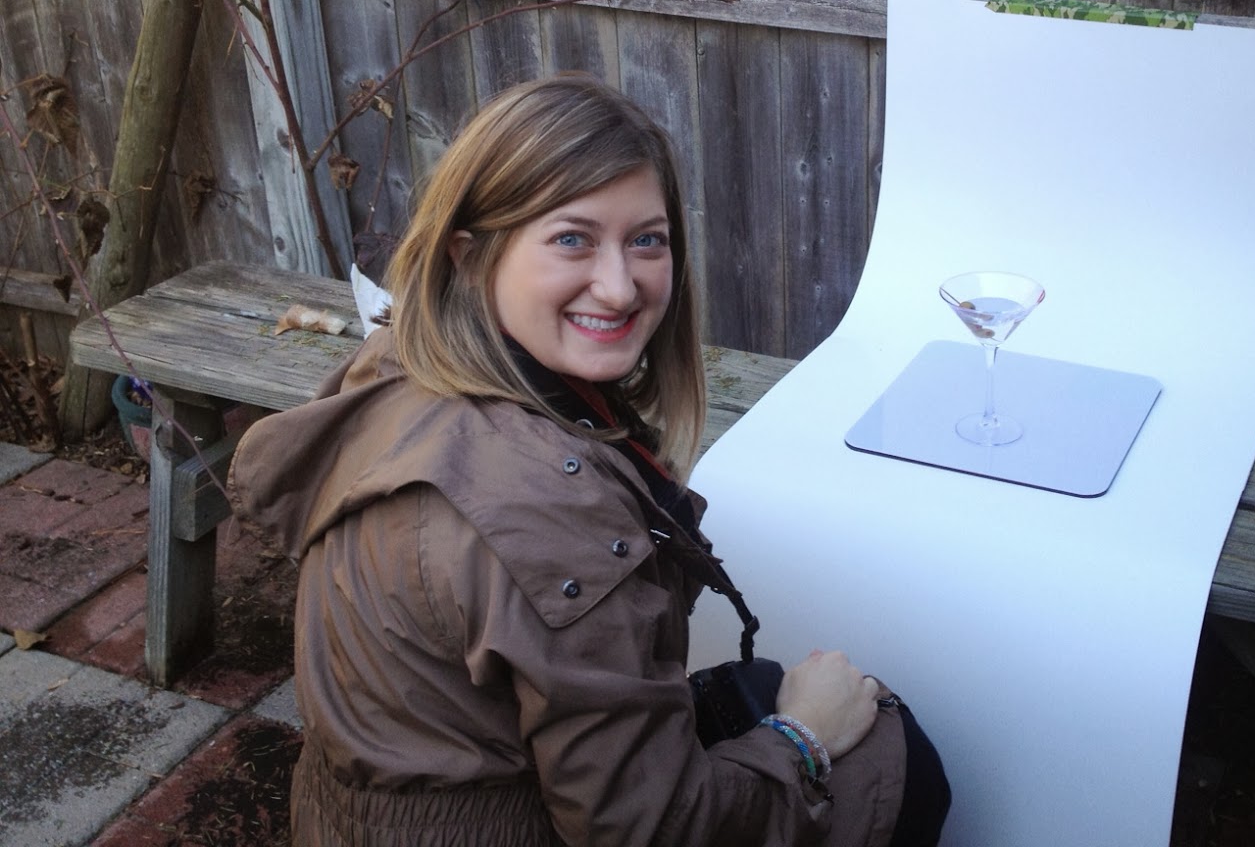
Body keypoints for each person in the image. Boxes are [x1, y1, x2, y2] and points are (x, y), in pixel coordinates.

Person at [230, 74, 933, 846]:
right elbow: (651, 830)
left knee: (760, 686)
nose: (620, 286)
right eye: (573, 238)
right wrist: (803, 738)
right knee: (894, 754)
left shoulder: (403, 365)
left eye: (647, 240)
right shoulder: (540, 502)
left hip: (360, 820)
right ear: (472, 256)